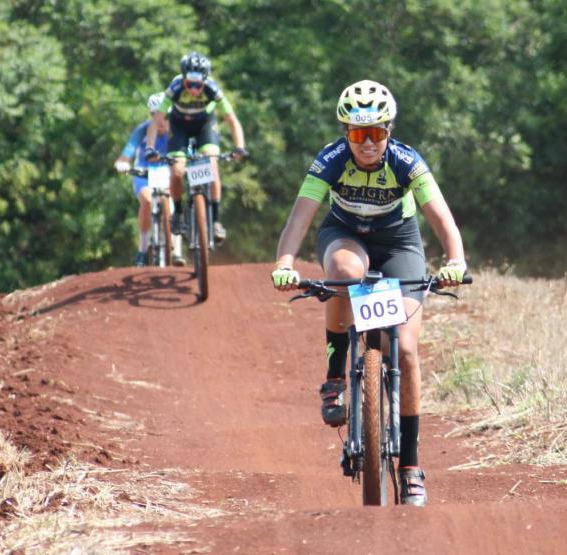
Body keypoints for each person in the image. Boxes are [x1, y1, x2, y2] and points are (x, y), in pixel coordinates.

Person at [270, 80, 467, 507]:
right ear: (346, 134)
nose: (368, 143)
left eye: (376, 132)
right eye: (359, 134)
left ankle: (411, 466)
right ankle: (335, 376)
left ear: (388, 131)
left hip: (399, 242)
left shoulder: (406, 161)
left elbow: (443, 219)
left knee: (408, 353)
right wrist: (285, 262)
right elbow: (299, 218)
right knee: (341, 273)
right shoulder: (330, 160)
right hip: (345, 236)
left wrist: (455, 260)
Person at [143, 51, 247, 244]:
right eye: (189, 83)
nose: (193, 88)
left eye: (198, 84)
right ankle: (179, 214)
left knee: (212, 165)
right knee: (176, 172)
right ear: (183, 79)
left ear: (205, 80)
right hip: (179, 125)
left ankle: (215, 221)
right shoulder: (174, 89)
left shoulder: (212, 89)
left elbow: (231, 120)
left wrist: (239, 147)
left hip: (204, 125)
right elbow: (156, 121)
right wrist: (149, 147)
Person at [114, 92, 183, 266]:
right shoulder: (143, 130)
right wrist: (122, 163)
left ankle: (177, 250)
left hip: (166, 171)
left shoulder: (177, 130)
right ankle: (142, 250)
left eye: (164, 115)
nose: (160, 120)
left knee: (173, 201)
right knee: (146, 200)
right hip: (144, 172)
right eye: (154, 115)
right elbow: (127, 152)